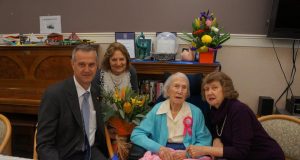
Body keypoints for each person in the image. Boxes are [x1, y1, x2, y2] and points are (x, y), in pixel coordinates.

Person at [187, 71, 284, 160]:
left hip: (266, 156)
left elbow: (240, 151)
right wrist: (217, 139)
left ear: (226, 89)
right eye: (206, 89)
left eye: (214, 88)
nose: (209, 92)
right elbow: (218, 132)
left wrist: (205, 149)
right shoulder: (214, 109)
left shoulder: (239, 110)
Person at [36, 44, 109, 160]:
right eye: (81, 64)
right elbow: (44, 145)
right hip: (65, 156)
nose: (87, 70)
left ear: (97, 66)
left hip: (92, 152)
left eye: (91, 65)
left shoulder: (97, 92)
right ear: (72, 64)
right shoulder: (54, 94)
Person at [130, 72, 212, 160]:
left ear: (187, 93)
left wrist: (188, 153)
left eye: (184, 87)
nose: (180, 91)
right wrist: (159, 149)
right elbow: (136, 134)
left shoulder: (196, 112)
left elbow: (205, 140)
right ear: (168, 90)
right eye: (176, 86)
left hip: (187, 154)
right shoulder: (157, 109)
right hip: (162, 153)